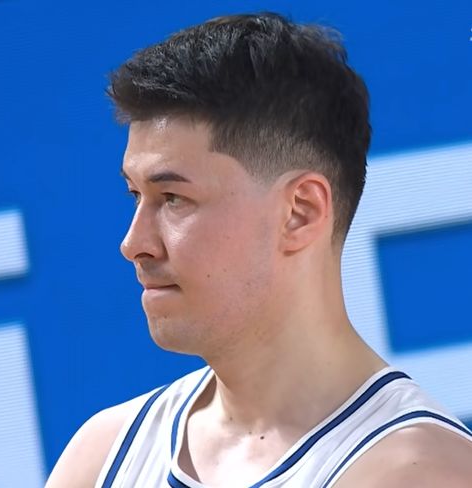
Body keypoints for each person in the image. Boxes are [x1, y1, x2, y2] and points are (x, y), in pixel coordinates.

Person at [46, 12, 472, 488]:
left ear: (300, 212)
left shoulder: (422, 471)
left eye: (173, 198)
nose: (133, 244)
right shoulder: (104, 455)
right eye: (134, 195)